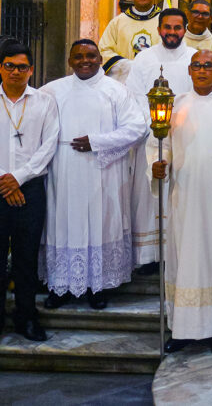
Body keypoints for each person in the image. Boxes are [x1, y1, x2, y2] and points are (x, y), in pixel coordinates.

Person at [151, 51, 212, 354]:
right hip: (184, 198)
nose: (203, 70)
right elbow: (158, 144)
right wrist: (157, 166)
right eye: (197, 66)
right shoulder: (173, 105)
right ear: (189, 71)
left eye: (209, 66)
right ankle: (181, 329)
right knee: (183, 261)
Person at [40, 40, 144, 313]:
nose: (84, 60)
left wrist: (97, 141)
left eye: (90, 56)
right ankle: (60, 285)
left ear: (100, 59)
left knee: (100, 224)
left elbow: (137, 127)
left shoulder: (116, 91)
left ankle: (97, 287)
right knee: (61, 224)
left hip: (103, 172)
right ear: (70, 61)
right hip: (63, 171)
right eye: (78, 56)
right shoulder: (52, 91)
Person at [126, 8, 197, 273]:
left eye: (177, 28)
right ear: (159, 30)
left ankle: (175, 254)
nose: (172, 32)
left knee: (178, 197)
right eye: (167, 27)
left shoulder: (194, 58)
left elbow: (196, 96)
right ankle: (149, 256)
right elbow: (133, 96)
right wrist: (156, 124)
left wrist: (178, 126)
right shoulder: (143, 58)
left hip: (184, 137)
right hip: (151, 135)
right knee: (150, 196)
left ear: (185, 30)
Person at [0, 43, 59, 341]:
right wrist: (5, 181)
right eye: (9, 65)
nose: (16, 72)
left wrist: (18, 178)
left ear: (31, 70)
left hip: (30, 190)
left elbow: (49, 145)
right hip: (0, 187)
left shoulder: (44, 102)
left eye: (22, 67)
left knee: (26, 258)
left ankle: (26, 317)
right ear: (0, 67)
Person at [99, 0, 161, 81]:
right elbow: (104, 51)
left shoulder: (165, 21)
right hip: (124, 83)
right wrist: (129, 66)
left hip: (157, 82)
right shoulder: (118, 22)